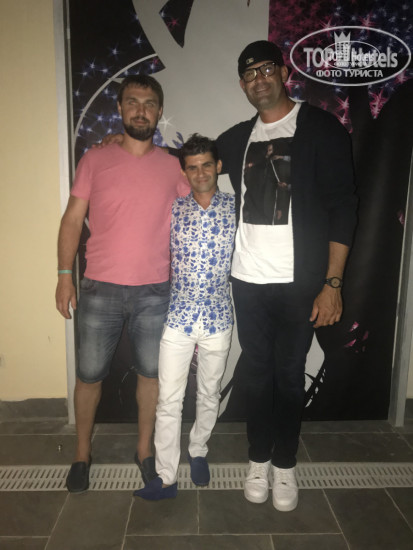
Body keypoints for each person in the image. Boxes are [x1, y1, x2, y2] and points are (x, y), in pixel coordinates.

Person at [216, 41, 357, 511]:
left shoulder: (320, 128)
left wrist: (332, 284)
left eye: (265, 69)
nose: (258, 79)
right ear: (242, 84)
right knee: (256, 374)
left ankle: (285, 463)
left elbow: (344, 207)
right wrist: (128, 144)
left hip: (300, 283)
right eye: (249, 73)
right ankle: (258, 458)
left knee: (290, 375)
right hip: (247, 281)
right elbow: (191, 160)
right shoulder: (238, 138)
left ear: (282, 73)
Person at [55, 74, 189, 493]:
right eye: (132, 101)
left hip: (156, 291)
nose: (140, 110)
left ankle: (144, 450)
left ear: (159, 111)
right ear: (119, 108)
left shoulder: (174, 166)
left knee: (152, 375)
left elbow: (197, 209)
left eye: (149, 103)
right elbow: (72, 219)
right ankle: (82, 455)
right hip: (100, 289)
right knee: (89, 376)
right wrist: (64, 276)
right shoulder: (95, 160)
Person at [135, 134, 236, 500]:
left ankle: (198, 450)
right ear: (184, 172)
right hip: (178, 317)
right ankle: (165, 477)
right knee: (169, 399)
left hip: (218, 318)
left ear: (218, 166)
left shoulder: (237, 208)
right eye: (192, 167)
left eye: (206, 165)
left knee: (209, 392)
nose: (200, 173)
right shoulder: (174, 209)